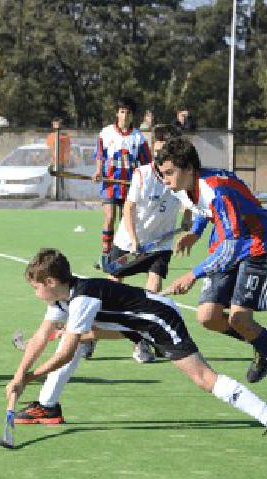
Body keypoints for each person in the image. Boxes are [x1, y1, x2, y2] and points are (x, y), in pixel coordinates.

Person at [7, 248, 267, 437]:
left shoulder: (82, 298)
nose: (34, 294)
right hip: (132, 323)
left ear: (50, 283)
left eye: (35, 288)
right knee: (65, 339)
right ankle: (47, 407)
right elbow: (39, 337)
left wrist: (32, 377)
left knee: (203, 378)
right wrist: (20, 375)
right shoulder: (62, 299)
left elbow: (69, 350)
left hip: (158, 320)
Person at [158, 137, 267, 402]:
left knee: (239, 320)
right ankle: (265, 342)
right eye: (162, 174)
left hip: (254, 244)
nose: (165, 180)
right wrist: (195, 233)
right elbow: (201, 209)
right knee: (208, 317)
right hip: (226, 241)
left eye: (169, 173)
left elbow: (232, 246)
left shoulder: (218, 192)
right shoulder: (184, 187)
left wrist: (192, 275)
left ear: (189, 169)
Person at [110, 124, 191, 362]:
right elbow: (128, 208)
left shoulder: (180, 174)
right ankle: (90, 334)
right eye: (157, 150)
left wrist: (187, 218)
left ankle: (142, 343)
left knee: (150, 297)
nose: (160, 155)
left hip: (160, 243)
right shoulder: (142, 174)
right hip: (129, 240)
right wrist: (134, 240)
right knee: (110, 290)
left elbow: (188, 199)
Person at [92, 96, 152, 259]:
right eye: (122, 112)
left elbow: (147, 163)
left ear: (133, 116)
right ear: (117, 113)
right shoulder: (106, 133)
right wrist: (98, 171)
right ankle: (105, 254)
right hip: (111, 184)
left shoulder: (138, 137)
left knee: (126, 221)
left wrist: (143, 181)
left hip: (130, 185)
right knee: (109, 217)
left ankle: (121, 253)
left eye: (128, 112)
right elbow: (100, 155)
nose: (124, 116)